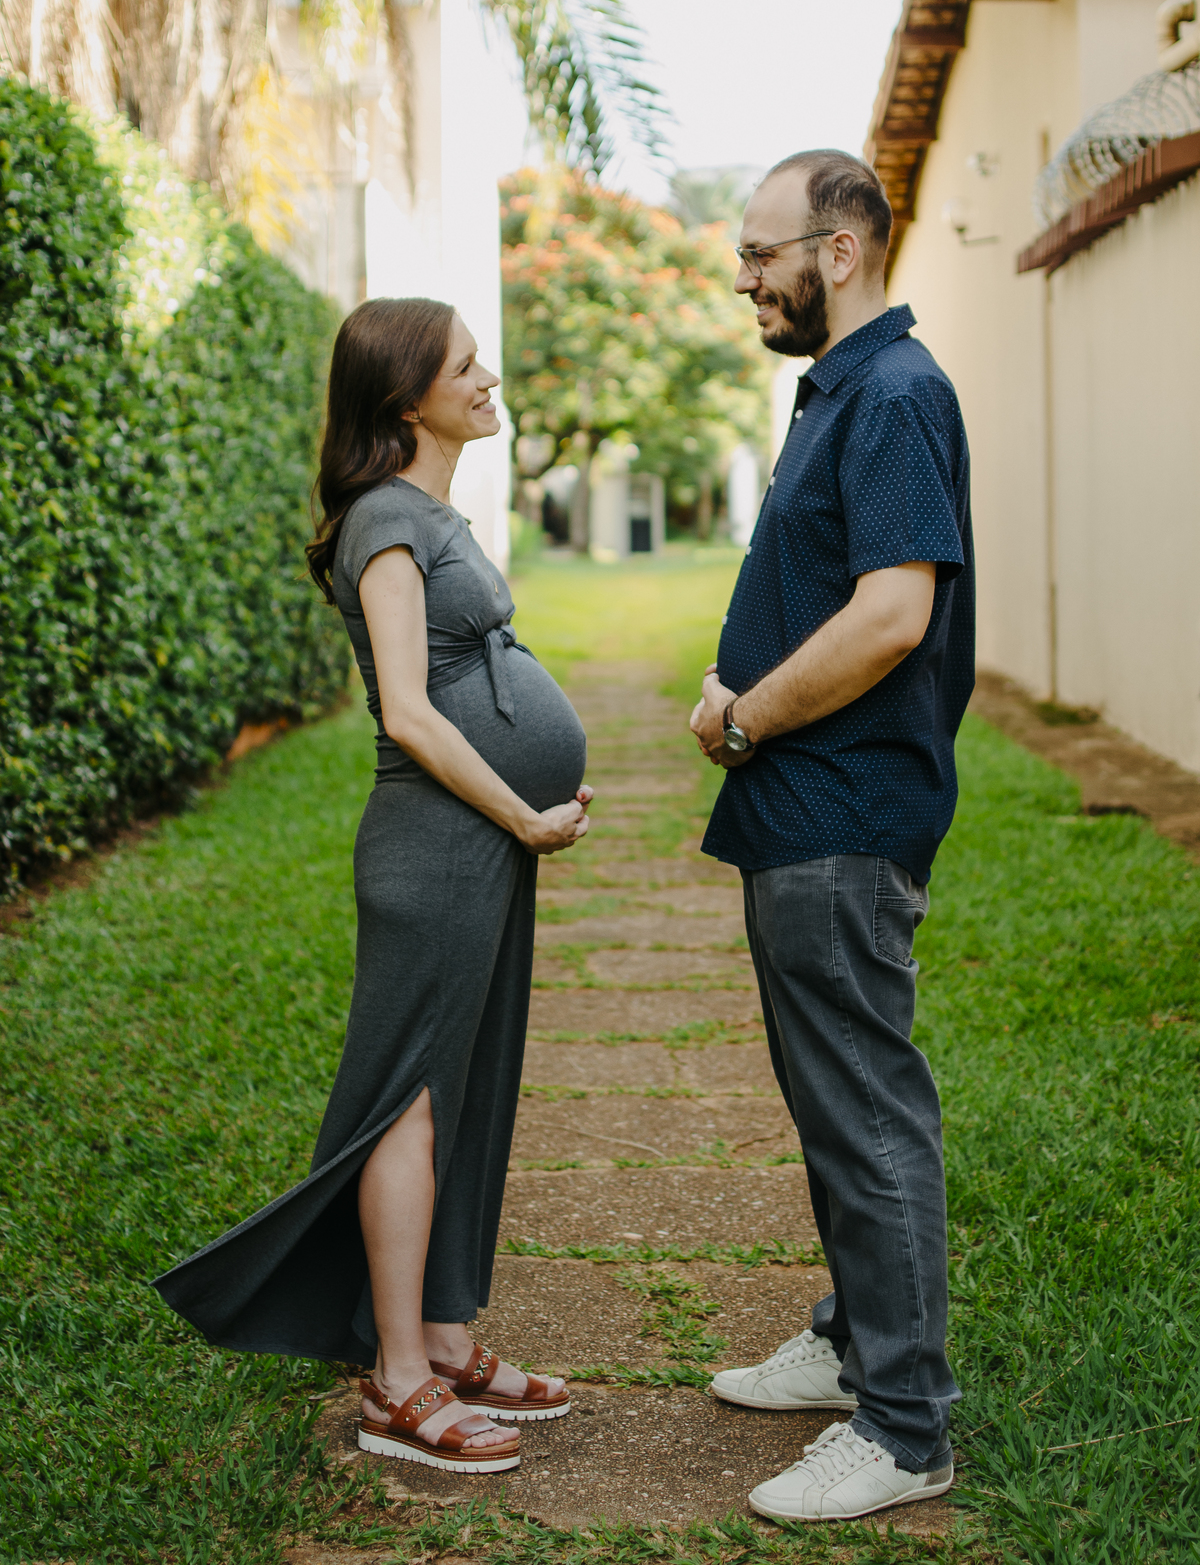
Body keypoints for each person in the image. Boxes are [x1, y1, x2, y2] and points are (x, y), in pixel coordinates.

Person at [155, 297, 593, 1475]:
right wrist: (522, 812)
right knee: (411, 1099)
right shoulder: (386, 521)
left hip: (479, 840)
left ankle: (442, 1336)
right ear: (407, 399)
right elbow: (407, 710)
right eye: (466, 367)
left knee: (465, 1084)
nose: (489, 378)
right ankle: (398, 1382)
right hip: (436, 845)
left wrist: (527, 798)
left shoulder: (426, 512)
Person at [690, 151, 973, 1524]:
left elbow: (892, 614)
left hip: (844, 810)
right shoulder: (843, 390)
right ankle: (856, 1343)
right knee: (830, 1105)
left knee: (865, 1116)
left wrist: (745, 716)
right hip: (802, 811)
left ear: (840, 249)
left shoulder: (897, 392)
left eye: (762, 253)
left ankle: (906, 1430)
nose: (746, 277)